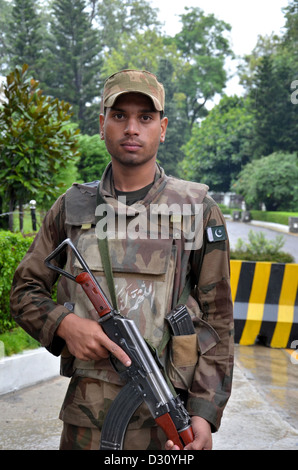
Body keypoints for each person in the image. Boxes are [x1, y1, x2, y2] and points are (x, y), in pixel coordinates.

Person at [10, 69, 234, 451]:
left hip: (168, 421)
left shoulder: (197, 210)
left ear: (162, 128)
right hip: (86, 422)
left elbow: (219, 319)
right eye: (120, 116)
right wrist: (66, 325)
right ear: (102, 124)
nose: (132, 128)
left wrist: (203, 411)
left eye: (145, 118)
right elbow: (24, 292)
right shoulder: (71, 207)